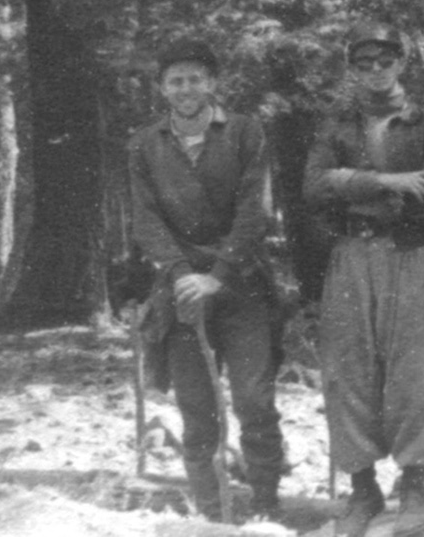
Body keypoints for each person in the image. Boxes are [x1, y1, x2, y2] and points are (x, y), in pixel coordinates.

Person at [304, 20, 424, 537]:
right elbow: (314, 185)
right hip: (352, 252)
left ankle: (414, 483)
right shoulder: (338, 122)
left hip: (414, 252)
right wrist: (386, 182)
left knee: (419, 367)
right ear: (352, 68)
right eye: (363, 63)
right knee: (347, 366)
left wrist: (350, 187)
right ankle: (362, 487)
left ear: (402, 63)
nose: (374, 71)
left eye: (384, 61)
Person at [128, 39, 286, 522]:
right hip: (180, 292)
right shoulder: (145, 145)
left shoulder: (243, 133)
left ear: (213, 83)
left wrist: (217, 276)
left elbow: (253, 211)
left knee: (254, 400)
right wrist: (181, 275)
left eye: (196, 78)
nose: (186, 89)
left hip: (242, 285)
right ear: (162, 88)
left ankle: (265, 504)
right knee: (197, 409)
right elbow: (146, 218)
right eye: (176, 81)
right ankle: (212, 511)